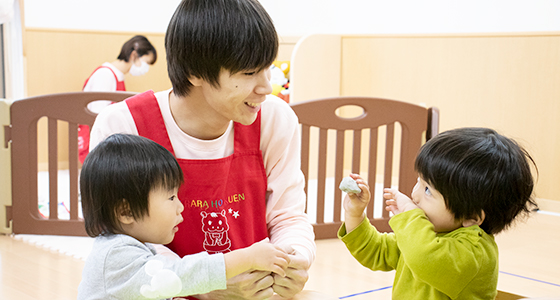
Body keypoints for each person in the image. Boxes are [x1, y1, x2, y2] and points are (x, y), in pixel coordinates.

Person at [88, 0, 316, 299]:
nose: (265, 86)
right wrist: (203, 284)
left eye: (267, 68)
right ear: (195, 72)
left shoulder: (274, 117)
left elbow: (288, 216)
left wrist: (294, 260)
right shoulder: (122, 125)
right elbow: (120, 240)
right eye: (248, 73)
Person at [77, 133, 290, 300]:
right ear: (126, 212)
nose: (180, 207)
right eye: (171, 198)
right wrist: (247, 257)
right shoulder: (115, 255)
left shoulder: (132, 246)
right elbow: (180, 275)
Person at [339, 127, 537, 299]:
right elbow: (377, 252)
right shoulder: (425, 234)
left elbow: (425, 257)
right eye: (419, 181)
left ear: (472, 218)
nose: (414, 196)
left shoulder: (474, 252)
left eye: (427, 190)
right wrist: (355, 214)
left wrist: (409, 213)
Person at [79, 35, 157, 164]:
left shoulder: (117, 76)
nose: (146, 68)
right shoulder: (106, 75)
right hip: (94, 146)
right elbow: (96, 117)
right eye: (146, 63)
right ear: (133, 55)